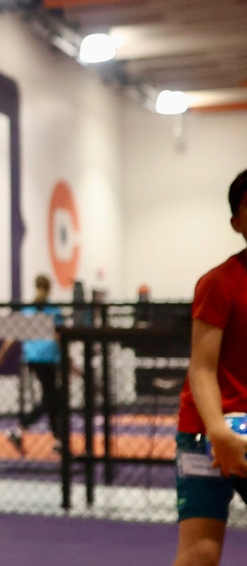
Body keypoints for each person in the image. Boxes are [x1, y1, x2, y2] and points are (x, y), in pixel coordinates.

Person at [172, 169, 247, 566]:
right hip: (207, 433)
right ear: (237, 222)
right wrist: (218, 432)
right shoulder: (218, 283)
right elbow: (202, 368)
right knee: (200, 554)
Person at [0, 274, 65, 453]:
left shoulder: (28, 310)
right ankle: (20, 429)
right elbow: (59, 336)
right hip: (49, 359)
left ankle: (57, 440)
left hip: (33, 358)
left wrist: (0, 357)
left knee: (52, 398)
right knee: (51, 399)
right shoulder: (52, 311)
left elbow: (12, 337)